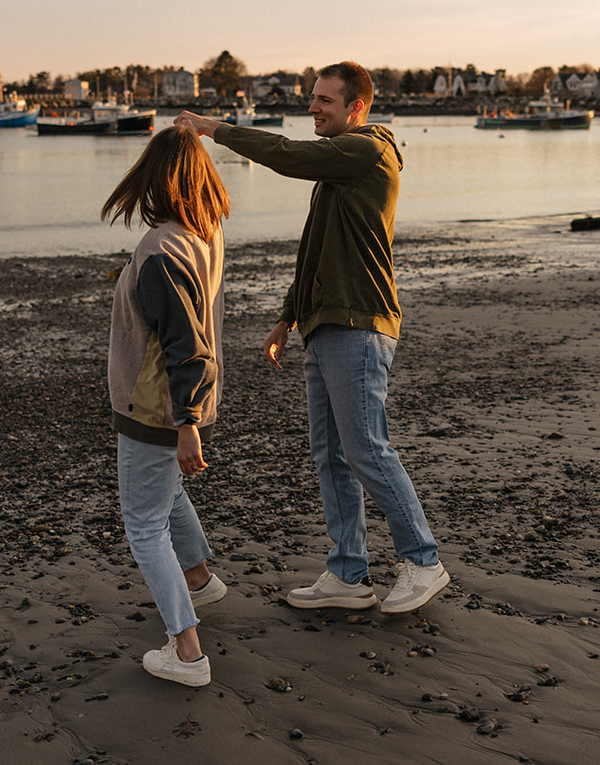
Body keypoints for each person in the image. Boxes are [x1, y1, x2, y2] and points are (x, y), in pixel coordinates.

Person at [175, 63, 449, 615]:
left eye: (325, 100)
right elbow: (314, 249)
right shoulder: (338, 170)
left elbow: (287, 155)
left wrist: (214, 129)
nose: (313, 108)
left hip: (360, 325)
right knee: (331, 454)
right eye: (312, 98)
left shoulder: (367, 151)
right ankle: (348, 574)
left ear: (357, 107)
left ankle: (423, 560)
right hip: (324, 326)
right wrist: (286, 317)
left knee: (366, 447)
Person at [102, 126, 231, 686]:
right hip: (170, 405)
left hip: (154, 407)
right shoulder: (205, 232)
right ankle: (200, 577)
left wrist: (187, 424)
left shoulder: (160, 249)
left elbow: (186, 346)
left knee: (143, 525)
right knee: (163, 493)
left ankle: (187, 652)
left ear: (158, 180)